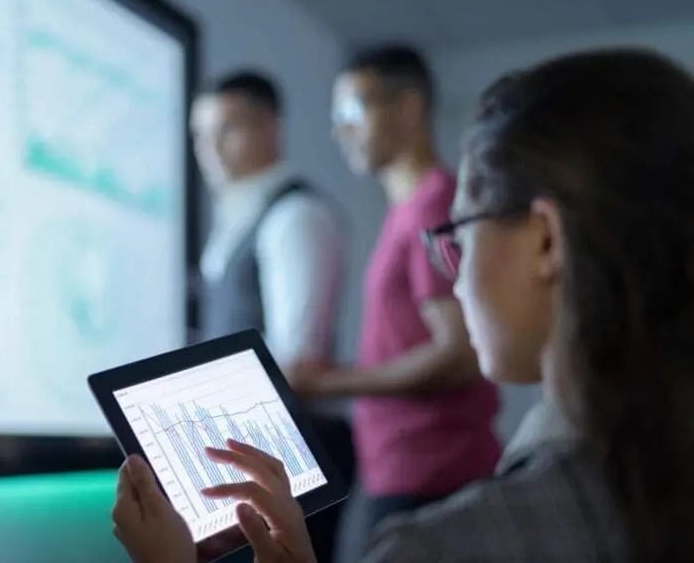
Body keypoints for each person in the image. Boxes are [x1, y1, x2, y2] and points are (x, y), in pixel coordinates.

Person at [110, 47, 694, 561]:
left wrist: (325, 383)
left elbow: (456, 351)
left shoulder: (440, 546)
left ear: (545, 239)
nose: (457, 276)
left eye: (461, 237)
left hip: (425, 467)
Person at [290, 44, 501, 535]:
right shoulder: (409, 210)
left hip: (433, 474)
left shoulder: (434, 207)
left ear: (407, 108)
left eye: (351, 112)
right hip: (401, 468)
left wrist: (325, 383)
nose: (339, 130)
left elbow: (460, 354)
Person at [190, 70, 352, 560]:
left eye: (229, 130)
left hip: (288, 457)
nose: (211, 149)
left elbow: (297, 360)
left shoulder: (296, 215)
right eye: (201, 135)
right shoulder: (238, 215)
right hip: (252, 457)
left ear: (270, 128)